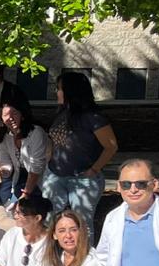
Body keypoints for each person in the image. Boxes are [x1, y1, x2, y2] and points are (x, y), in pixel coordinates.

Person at [42, 72, 117, 223]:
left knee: (82, 225)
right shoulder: (62, 113)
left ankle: (84, 248)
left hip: (83, 179)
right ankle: (52, 248)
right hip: (55, 176)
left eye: (59, 88)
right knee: (50, 221)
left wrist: (94, 170)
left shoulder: (94, 118)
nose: (56, 92)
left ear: (71, 91)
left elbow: (111, 146)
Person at [0, 97, 49, 204]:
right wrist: (1, 171)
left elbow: (36, 166)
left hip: (40, 179)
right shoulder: (5, 137)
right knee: (6, 204)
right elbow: (6, 164)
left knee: (30, 208)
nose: (10, 118)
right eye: (6, 115)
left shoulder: (36, 132)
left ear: (22, 115)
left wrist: (26, 193)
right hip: (19, 177)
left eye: (14, 113)